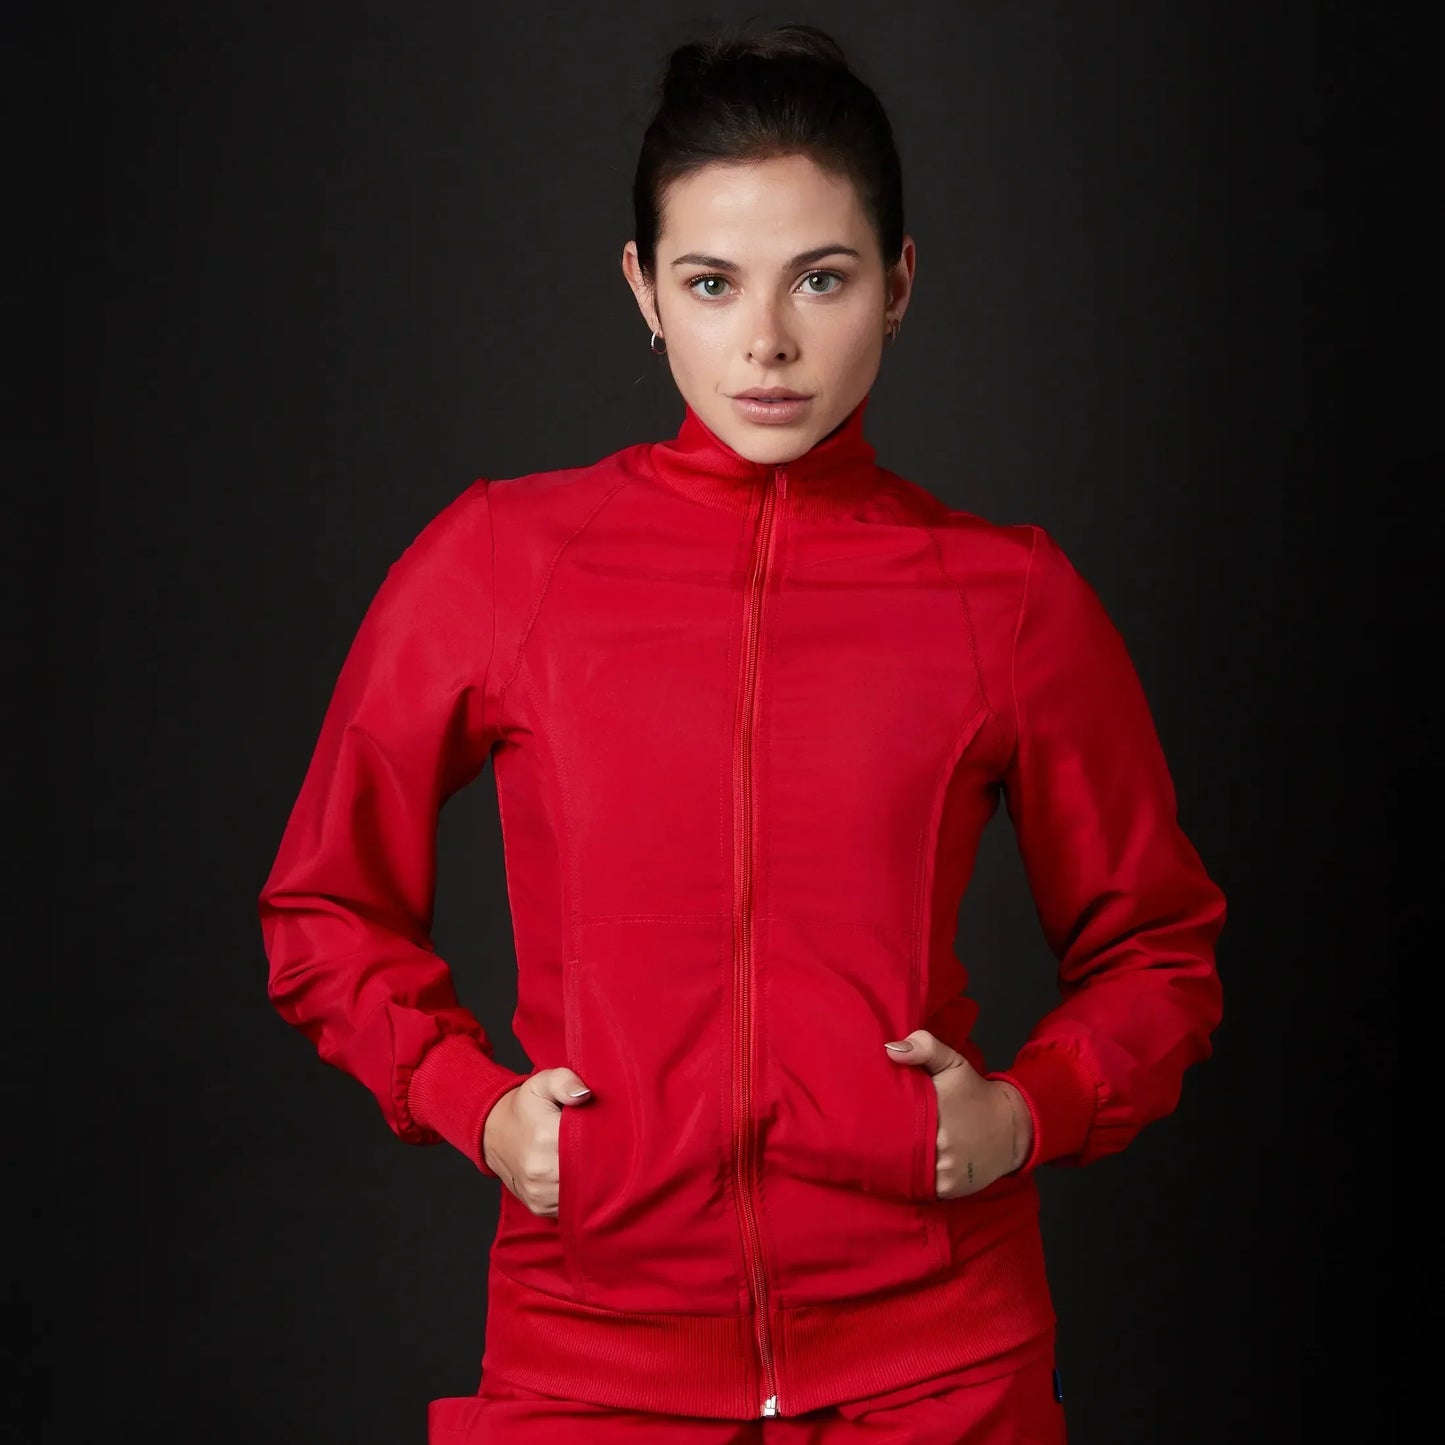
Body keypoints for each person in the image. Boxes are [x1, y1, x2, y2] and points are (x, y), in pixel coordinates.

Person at [259, 21, 1226, 1444]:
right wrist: (469, 1101)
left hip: (938, 1359)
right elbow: (325, 906)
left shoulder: (1006, 597)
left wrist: (1031, 1112)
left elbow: (1157, 945)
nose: (765, 341)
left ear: (898, 284)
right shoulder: (504, 561)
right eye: (711, 283)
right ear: (643, 290)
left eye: (820, 278)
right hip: (595, 1350)